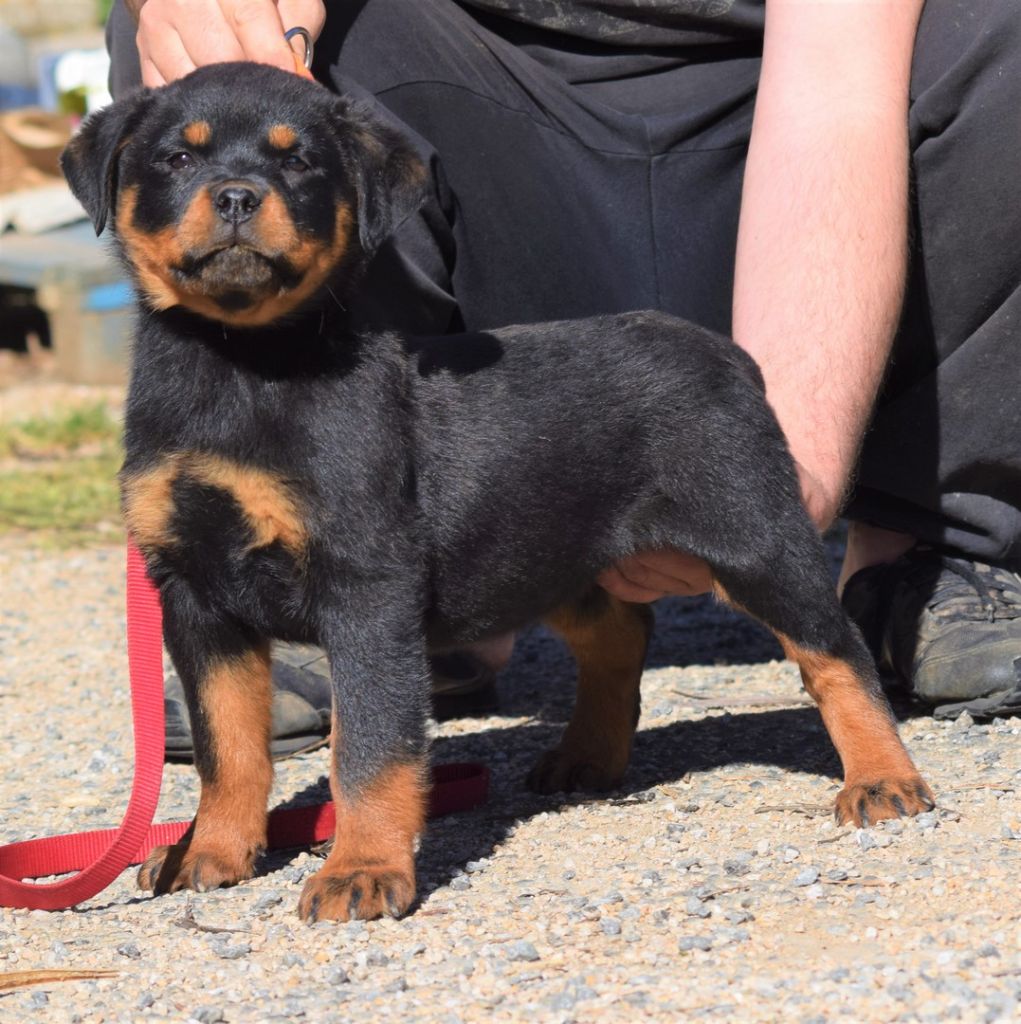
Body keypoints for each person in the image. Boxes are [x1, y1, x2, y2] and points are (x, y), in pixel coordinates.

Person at [105, 0, 1021, 751]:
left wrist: (791, 466)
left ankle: (931, 544)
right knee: (189, 22)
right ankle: (390, 582)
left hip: (815, 151)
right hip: (477, 125)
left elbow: (838, 80)